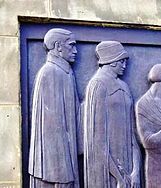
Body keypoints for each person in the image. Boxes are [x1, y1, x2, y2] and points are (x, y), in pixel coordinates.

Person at [84, 41, 141, 188]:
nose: (124, 65)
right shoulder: (97, 85)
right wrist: (118, 177)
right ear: (111, 60)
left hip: (128, 163)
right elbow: (97, 140)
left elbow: (133, 134)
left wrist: (136, 171)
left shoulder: (124, 87)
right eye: (122, 61)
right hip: (105, 170)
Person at [28, 28, 80, 188]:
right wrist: (64, 173)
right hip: (55, 169)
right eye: (71, 46)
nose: (75, 51)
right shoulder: (49, 73)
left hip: (66, 160)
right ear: (58, 46)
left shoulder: (65, 73)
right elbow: (51, 129)